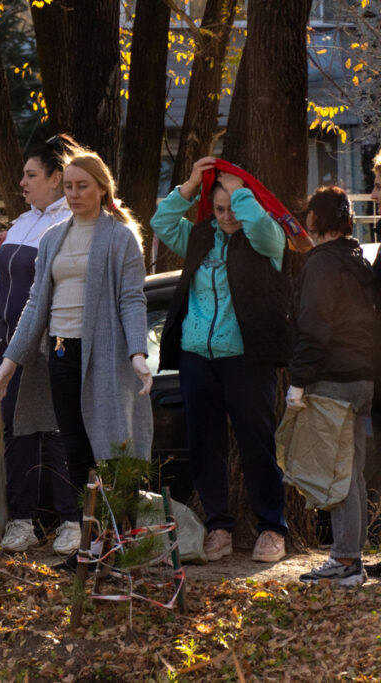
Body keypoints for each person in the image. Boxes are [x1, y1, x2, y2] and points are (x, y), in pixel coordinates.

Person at [0, 148, 153, 539]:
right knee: (73, 449)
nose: (75, 194)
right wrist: (10, 361)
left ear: (102, 189)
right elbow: (35, 303)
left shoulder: (119, 237)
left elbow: (132, 298)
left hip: (104, 355)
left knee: (111, 448)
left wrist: (138, 354)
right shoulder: (52, 238)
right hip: (60, 352)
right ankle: (88, 542)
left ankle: (117, 541)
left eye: (83, 186)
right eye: (69, 187)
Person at [149, 156, 290, 564]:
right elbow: (161, 223)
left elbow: (263, 227)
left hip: (247, 358)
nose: (227, 216)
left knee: (256, 443)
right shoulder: (200, 236)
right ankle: (218, 526)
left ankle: (272, 528)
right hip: (197, 357)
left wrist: (241, 193)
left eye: (235, 207)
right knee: (204, 445)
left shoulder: (265, 238)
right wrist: (192, 185)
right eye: (220, 208)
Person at [0, 134, 81, 555]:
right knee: (17, 435)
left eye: (30, 175)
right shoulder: (23, 222)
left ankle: (73, 522)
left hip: (49, 348)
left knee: (57, 433)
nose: (22, 183)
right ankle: (21, 523)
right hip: (9, 346)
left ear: (56, 177)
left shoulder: (68, 225)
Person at [289, 187, 376, 586]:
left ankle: (344, 559)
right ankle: (350, 555)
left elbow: (314, 328)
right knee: (353, 472)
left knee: (338, 475)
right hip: (362, 379)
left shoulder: (322, 264)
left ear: (315, 220)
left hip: (333, 380)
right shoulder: (358, 259)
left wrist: (298, 382)